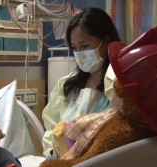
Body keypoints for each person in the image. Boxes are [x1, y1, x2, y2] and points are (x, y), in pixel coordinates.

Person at [42, 7, 121, 159]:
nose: (79, 53)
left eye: (85, 46)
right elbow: (51, 129)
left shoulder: (118, 87)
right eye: (74, 48)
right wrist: (52, 155)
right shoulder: (66, 86)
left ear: (106, 42)